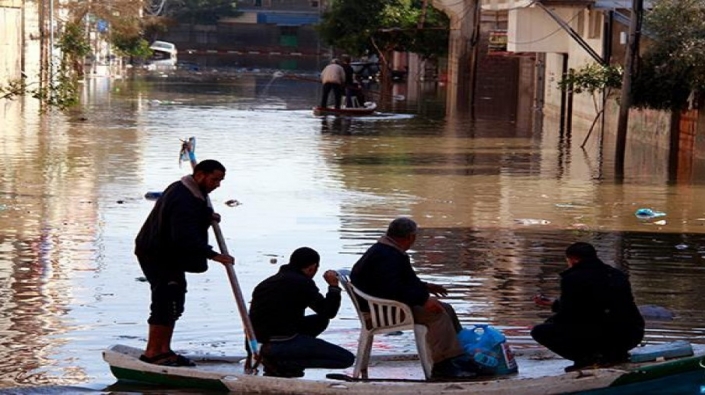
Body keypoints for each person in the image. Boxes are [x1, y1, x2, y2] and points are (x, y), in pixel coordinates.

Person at [350, 217, 481, 379]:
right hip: (383, 311)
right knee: (437, 314)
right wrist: (423, 300)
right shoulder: (387, 255)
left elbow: (403, 282)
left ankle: (459, 355)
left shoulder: (389, 251)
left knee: (447, 308)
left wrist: (425, 287)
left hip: (388, 305)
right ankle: (443, 364)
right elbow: (392, 289)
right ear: (411, 237)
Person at [135, 159, 235, 367]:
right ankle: (153, 352)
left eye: (220, 180)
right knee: (165, 300)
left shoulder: (187, 191)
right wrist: (213, 255)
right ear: (199, 175)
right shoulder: (183, 198)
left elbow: (190, 215)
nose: (217, 185)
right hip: (158, 255)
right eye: (215, 179)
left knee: (175, 301)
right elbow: (184, 236)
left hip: (167, 254)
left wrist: (207, 214)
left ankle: (164, 349)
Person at [531, 242, 645, 372]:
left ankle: (587, 360)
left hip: (602, 336)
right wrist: (554, 304)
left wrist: (552, 321)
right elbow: (599, 304)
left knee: (541, 331)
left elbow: (571, 313)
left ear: (573, 260)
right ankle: (614, 355)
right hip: (631, 334)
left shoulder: (573, 278)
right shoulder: (616, 274)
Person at [249, 247, 355, 377]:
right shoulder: (302, 283)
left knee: (320, 320)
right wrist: (333, 287)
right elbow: (329, 311)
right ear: (312, 267)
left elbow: (323, 315)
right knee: (346, 359)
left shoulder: (268, 282)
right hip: (280, 341)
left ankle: (281, 357)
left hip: (258, 340)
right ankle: (285, 363)